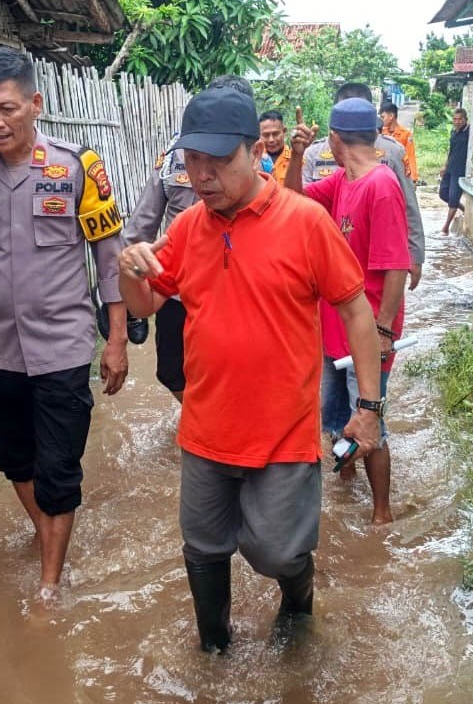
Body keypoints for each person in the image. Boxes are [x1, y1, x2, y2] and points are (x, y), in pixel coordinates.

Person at [119, 87, 383, 652]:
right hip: (206, 429)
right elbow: (144, 305)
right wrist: (130, 268)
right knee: (203, 547)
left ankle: (298, 599)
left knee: (277, 552)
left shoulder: (306, 222)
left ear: (253, 152)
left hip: (282, 433)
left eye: (218, 161)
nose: (203, 175)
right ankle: (213, 651)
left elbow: (357, 310)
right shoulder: (189, 227)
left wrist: (368, 407)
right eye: (193, 161)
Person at [0, 48, 129, 603]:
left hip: (64, 349)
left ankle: (49, 586)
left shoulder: (76, 168)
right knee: (13, 454)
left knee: (58, 467)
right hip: (1, 352)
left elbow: (109, 258)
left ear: (35, 104)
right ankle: (49, 531)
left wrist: (115, 340)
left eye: (7, 108)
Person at [285, 98, 411, 525]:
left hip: (367, 330)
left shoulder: (381, 185)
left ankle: (381, 514)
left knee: (370, 418)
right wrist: (297, 156)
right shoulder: (343, 181)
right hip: (332, 326)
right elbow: (292, 199)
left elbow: (396, 265)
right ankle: (346, 484)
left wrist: (383, 330)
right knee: (336, 416)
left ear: (336, 140)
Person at [124, 75, 256, 402]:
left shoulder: (251, 153)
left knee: (240, 369)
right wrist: (131, 269)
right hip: (178, 285)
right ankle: (201, 417)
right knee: (172, 372)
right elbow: (144, 218)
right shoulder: (174, 153)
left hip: (237, 287)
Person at [302, 83, 424, 290]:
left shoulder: (391, 153)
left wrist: (415, 254)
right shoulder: (314, 152)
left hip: (372, 257)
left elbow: (408, 204)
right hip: (329, 257)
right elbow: (300, 201)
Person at [439, 107, 473, 235]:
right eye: (455, 119)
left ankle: (445, 227)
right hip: (450, 168)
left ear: (465, 120)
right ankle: (463, 209)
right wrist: (445, 166)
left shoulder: (469, 132)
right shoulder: (453, 132)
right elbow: (451, 151)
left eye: (460, 119)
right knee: (443, 194)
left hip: (460, 171)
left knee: (453, 198)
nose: (457, 121)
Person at [379, 101, 419, 184]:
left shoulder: (406, 134)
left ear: (391, 116)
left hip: (399, 172)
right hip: (383, 173)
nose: (381, 120)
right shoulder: (381, 133)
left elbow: (411, 156)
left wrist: (413, 178)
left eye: (383, 117)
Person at [258, 110, 292, 185]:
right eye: (266, 135)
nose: (271, 140)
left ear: (284, 131)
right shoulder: (255, 161)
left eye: (275, 134)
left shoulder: (296, 161)